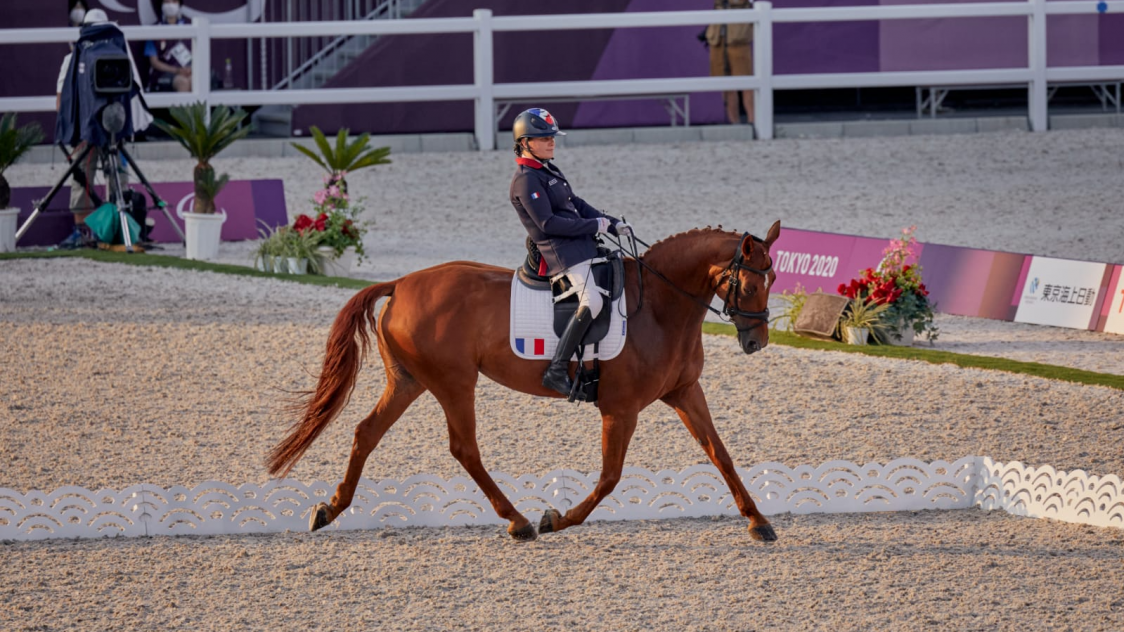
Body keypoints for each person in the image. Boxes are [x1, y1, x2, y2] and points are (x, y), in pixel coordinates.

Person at [508, 108, 632, 397]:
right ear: (525, 142)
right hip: (562, 254)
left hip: (581, 246)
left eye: (552, 137)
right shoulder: (526, 180)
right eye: (544, 138)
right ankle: (557, 369)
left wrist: (611, 223)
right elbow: (548, 223)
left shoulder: (547, 169)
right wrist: (594, 225)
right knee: (593, 301)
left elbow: (575, 203)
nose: (552, 142)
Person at [705, 0, 756, 130]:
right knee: (725, 82)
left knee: (748, 82)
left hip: (738, 36)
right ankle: (734, 121)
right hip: (718, 36)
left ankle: (753, 120)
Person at [144, 0, 192, 92]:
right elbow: (154, 62)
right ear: (161, 4)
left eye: (174, 1)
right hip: (163, 75)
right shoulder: (153, 30)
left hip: (186, 72)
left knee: (194, 80)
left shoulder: (190, 28)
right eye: (167, 1)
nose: (170, 5)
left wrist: (189, 70)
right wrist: (176, 70)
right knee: (182, 82)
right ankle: (180, 107)